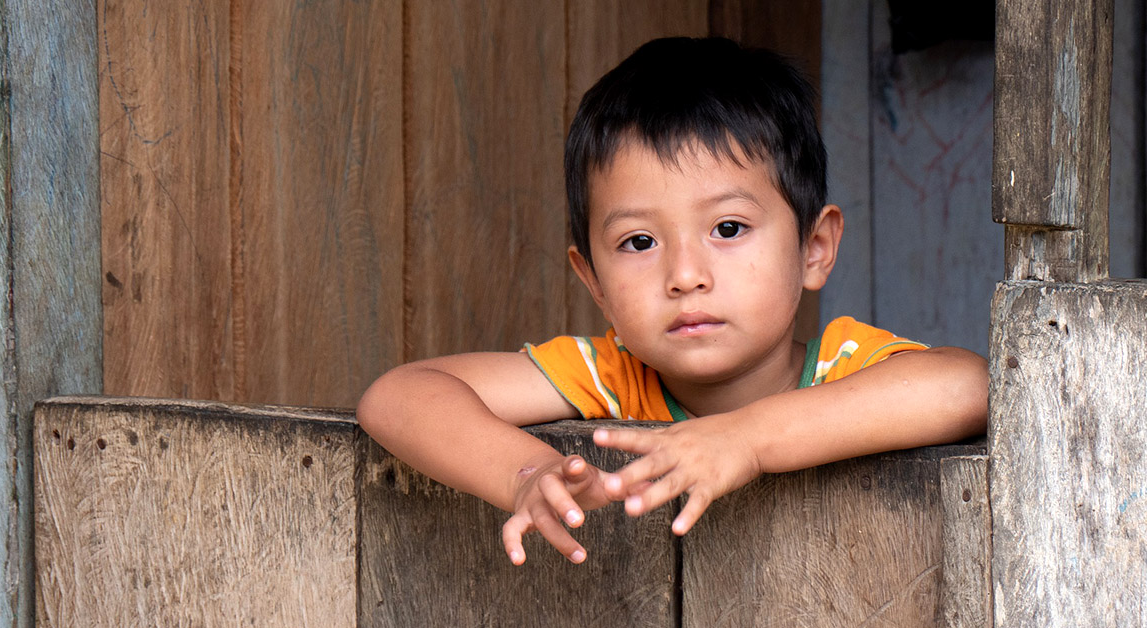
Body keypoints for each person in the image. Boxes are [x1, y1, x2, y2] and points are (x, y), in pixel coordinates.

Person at [357, 37, 987, 566]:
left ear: (814, 247)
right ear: (594, 283)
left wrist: (748, 440)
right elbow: (400, 396)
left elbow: (968, 387)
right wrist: (524, 475)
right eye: (638, 241)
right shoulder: (611, 377)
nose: (685, 275)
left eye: (729, 229)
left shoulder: (845, 366)